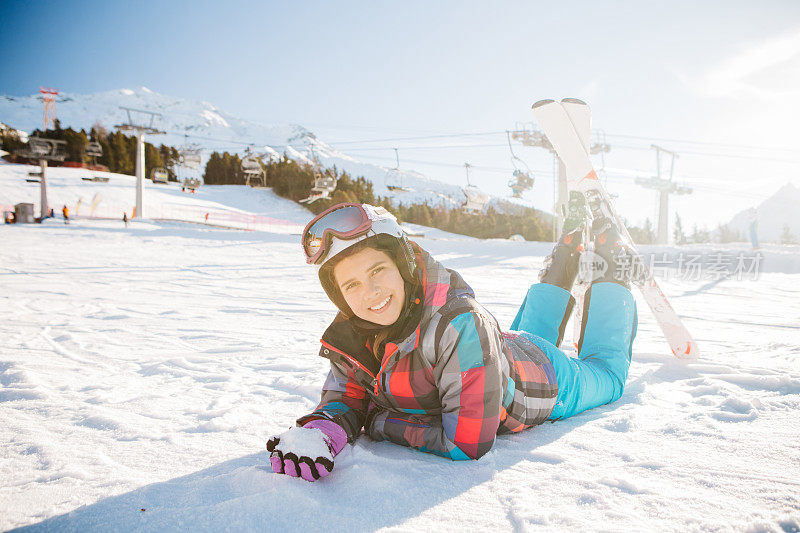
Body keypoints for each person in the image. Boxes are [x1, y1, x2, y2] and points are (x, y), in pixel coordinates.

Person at [267, 203, 637, 482]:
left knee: (607, 372)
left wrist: (378, 422)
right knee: (530, 336)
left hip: (545, 383)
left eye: (377, 270)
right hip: (499, 353)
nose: (370, 293)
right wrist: (322, 431)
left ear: (404, 264)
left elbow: (467, 442)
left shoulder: (460, 325)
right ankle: (564, 257)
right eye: (351, 285)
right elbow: (347, 396)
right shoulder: (353, 335)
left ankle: (612, 265)